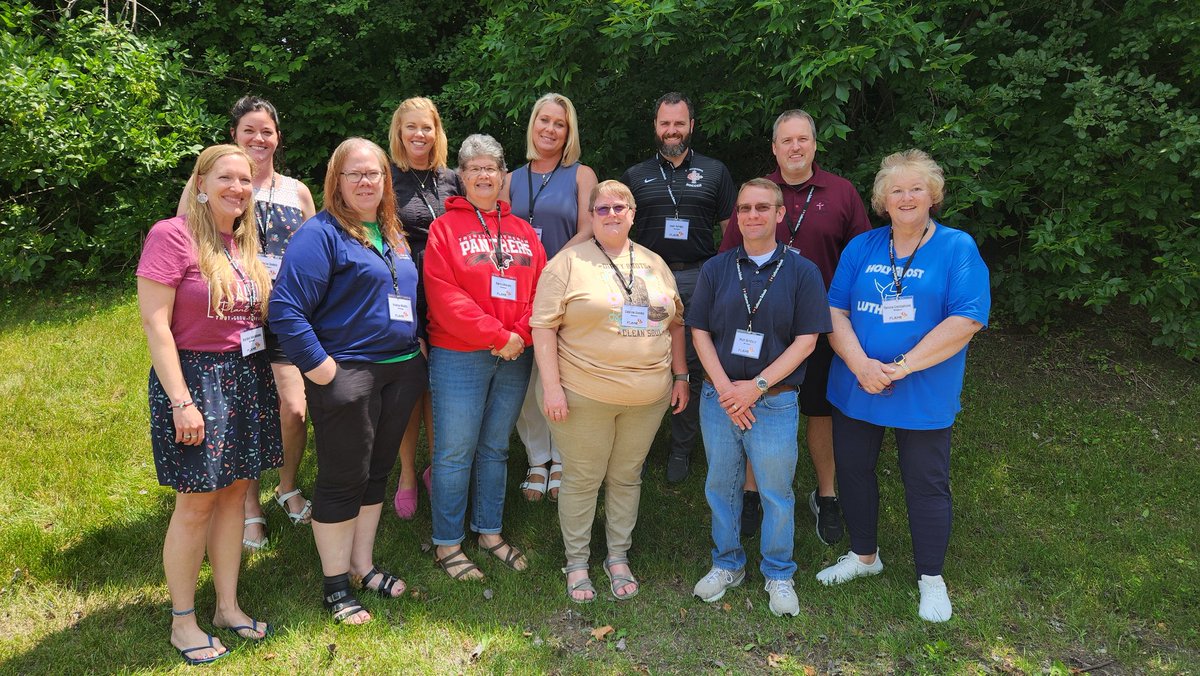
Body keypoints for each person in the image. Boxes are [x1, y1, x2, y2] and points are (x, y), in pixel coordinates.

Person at [815, 150, 990, 623]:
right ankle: (863, 556)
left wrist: (903, 366)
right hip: (858, 384)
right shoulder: (862, 248)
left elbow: (967, 318)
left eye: (916, 188)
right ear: (881, 201)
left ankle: (931, 577)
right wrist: (861, 365)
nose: (907, 197)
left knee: (926, 483)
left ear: (933, 194)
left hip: (923, 388)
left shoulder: (957, 248)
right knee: (853, 472)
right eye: (896, 190)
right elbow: (835, 312)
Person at [269, 138, 426, 624]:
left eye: (374, 174)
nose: (366, 182)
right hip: (349, 374)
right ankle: (336, 585)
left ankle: (363, 565)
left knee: (376, 471)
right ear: (336, 181)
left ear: (386, 181)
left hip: (400, 370)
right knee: (342, 477)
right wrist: (325, 371)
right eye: (354, 174)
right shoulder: (322, 234)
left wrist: (415, 341)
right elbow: (285, 310)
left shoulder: (392, 232)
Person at [139, 144, 281, 663]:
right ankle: (183, 621)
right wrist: (181, 401)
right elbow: (156, 325)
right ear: (201, 183)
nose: (237, 188)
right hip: (195, 381)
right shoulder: (171, 236)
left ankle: (227, 605)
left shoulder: (243, 242)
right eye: (226, 177)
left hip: (247, 377)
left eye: (245, 180)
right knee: (196, 502)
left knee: (235, 495)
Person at [531, 180, 688, 603]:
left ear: (633, 214)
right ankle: (577, 562)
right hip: (583, 393)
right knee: (583, 479)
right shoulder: (566, 264)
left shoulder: (655, 263)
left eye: (621, 207)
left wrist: (681, 375)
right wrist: (551, 388)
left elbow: (676, 323)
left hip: (648, 396)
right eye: (602, 209)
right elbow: (542, 326)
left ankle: (617, 556)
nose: (612, 214)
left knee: (626, 477)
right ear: (591, 217)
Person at [718, 110, 872, 544]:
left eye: (802, 139)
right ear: (774, 147)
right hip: (760, 326)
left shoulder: (841, 193)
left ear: (814, 145)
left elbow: (861, 258)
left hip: (821, 328)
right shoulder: (757, 195)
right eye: (786, 141)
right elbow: (729, 256)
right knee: (758, 404)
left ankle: (825, 495)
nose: (795, 147)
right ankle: (751, 492)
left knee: (821, 411)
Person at [177, 97, 317, 551]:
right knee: (248, 413)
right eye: (249, 130)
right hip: (234, 316)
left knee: (294, 409)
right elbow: (184, 241)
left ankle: (288, 485)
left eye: (267, 131)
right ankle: (249, 504)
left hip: (289, 314)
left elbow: (316, 250)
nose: (259, 138)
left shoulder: (297, 191)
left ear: (278, 137)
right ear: (234, 135)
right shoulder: (216, 184)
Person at [688, 179, 831, 617]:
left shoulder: (802, 272)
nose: (752, 215)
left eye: (762, 207)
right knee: (721, 485)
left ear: (779, 214)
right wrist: (729, 390)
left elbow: (806, 341)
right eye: (745, 208)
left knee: (775, 491)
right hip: (719, 398)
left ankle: (779, 572)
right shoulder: (717, 268)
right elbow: (699, 331)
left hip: (774, 401)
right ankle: (727, 564)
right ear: (736, 217)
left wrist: (756, 388)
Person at [424, 134, 547, 581]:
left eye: (491, 168)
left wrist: (518, 335)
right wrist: (498, 334)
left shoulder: (522, 232)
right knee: (456, 452)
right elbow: (444, 296)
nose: (482, 175)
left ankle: (489, 533)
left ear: (501, 176)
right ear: (461, 175)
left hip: (515, 355)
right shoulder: (444, 229)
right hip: (460, 355)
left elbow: (542, 291)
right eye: (473, 168)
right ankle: (447, 543)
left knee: (495, 449)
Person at [622, 92, 736, 483]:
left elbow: (729, 233)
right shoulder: (636, 176)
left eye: (679, 123)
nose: (672, 131)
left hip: (699, 275)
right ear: (655, 127)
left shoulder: (715, 171)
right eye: (665, 124)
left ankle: (681, 448)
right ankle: (635, 444)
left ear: (692, 126)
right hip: (648, 278)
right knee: (642, 356)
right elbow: (621, 231)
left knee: (691, 363)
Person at [502, 93, 599, 503]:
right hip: (518, 290)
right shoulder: (511, 178)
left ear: (568, 131)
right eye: (544, 120)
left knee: (558, 375)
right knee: (525, 377)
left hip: (563, 285)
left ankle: (562, 458)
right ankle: (537, 458)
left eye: (559, 124)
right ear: (533, 125)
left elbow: (589, 229)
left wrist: (549, 265)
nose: (550, 129)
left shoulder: (582, 175)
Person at [386, 96, 462, 519]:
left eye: (427, 127)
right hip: (406, 292)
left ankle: (438, 467)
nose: (419, 134)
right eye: (411, 127)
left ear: (437, 132)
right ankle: (408, 474)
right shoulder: (386, 178)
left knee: (440, 387)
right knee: (411, 387)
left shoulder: (452, 180)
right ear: (399, 132)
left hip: (449, 292)